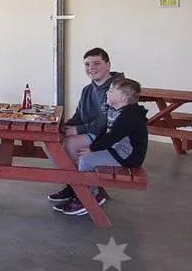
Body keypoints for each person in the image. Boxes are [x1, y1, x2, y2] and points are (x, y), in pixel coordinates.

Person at [55, 78, 148, 216]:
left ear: (122, 98)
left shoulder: (129, 116)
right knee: (83, 156)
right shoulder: (113, 109)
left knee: (86, 160)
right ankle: (82, 193)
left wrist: (92, 149)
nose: (107, 93)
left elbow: (112, 137)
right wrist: (93, 147)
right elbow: (104, 132)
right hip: (116, 150)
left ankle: (89, 198)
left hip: (128, 156)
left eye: (111, 91)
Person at [47, 47, 124, 204]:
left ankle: (87, 192)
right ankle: (74, 185)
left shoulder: (118, 88)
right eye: (87, 64)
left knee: (70, 143)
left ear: (108, 65)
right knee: (51, 142)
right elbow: (79, 115)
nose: (91, 68)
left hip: (110, 136)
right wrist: (63, 126)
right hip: (93, 131)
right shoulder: (88, 89)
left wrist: (78, 130)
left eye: (96, 63)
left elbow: (106, 120)